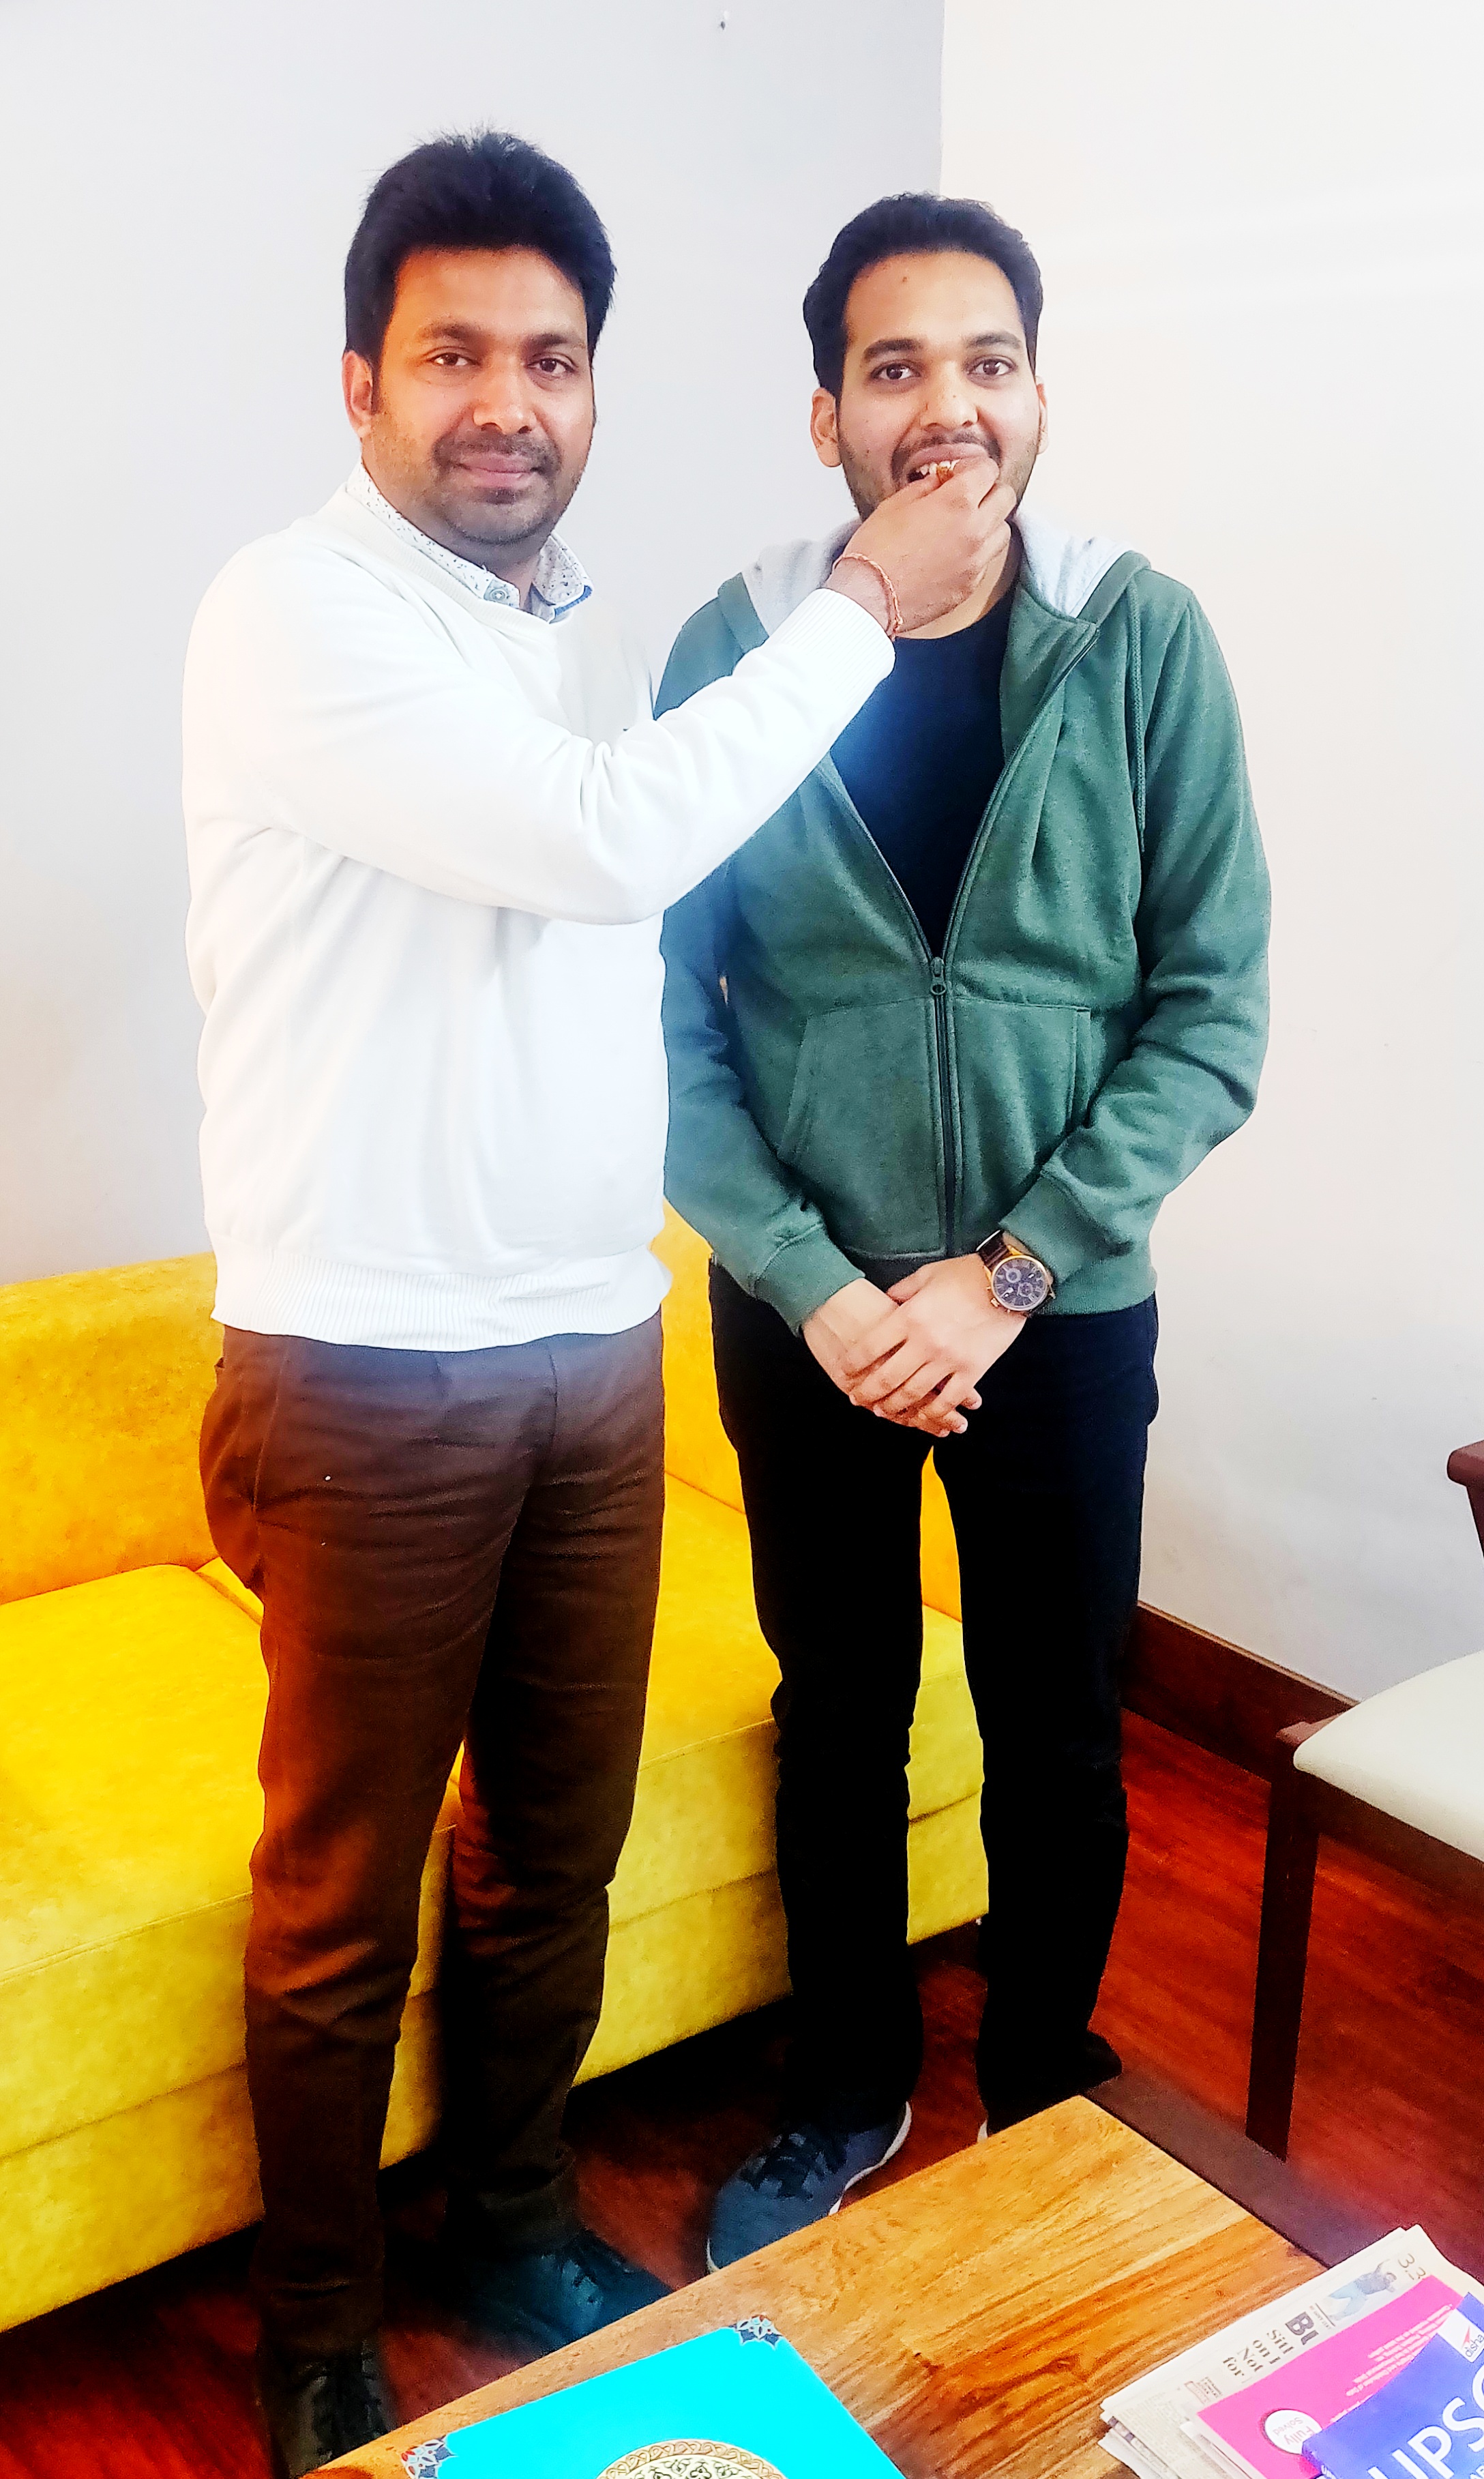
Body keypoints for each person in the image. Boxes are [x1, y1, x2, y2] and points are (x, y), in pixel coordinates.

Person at [183, 136, 1011, 2478]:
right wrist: (863, 604)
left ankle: (515, 2218)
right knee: (341, 1898)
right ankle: (317, 2331)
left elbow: (614, 900)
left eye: (550, 360)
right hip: (368, 1366)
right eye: (451, 353)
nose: (505, 402)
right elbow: (610, 841)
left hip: (588, 1341)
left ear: (594, 392)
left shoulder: (559, 630)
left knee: (556, 1846)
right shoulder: (295, 612)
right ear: (360, 384)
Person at [659, 192, 1271, 2270]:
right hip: (808, 1316)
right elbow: (662, 1024)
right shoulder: (737, 650)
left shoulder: (1141, 636)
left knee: (1056, 1721)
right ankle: (845, 2084)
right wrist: (818, 1284)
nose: (948, 406)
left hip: (1057, 1311)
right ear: (824, 411)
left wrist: (1011, 1271)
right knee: (834, 1712)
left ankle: (1036, 2083)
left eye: (987, 361)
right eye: (896, 366)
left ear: (1038, 392)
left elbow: (1211, 1011)